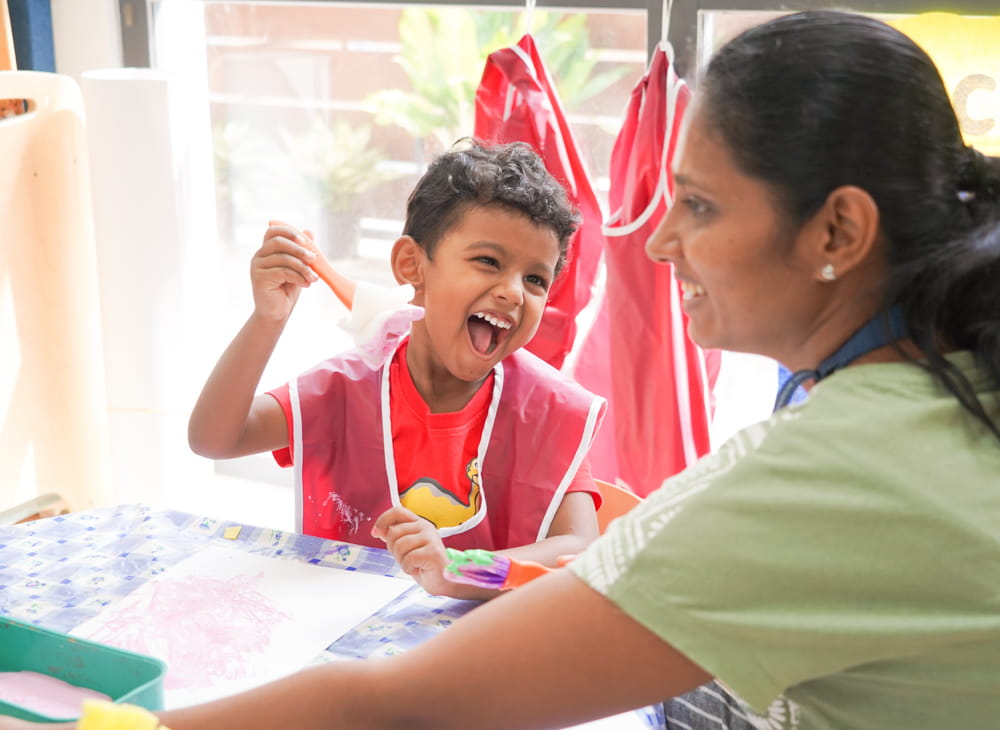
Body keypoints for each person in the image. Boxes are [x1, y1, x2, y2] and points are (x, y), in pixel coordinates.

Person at [4, 10, 999, 730]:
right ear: (411, 269)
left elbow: (398, 700)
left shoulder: (828, 468)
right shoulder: (927, 382)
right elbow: (222, 431)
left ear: (838, 231)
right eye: (484, 262)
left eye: (697, 205)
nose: (659, 244)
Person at [187, 139, 607, 600]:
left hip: (489, 638)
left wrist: (460, 570)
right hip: (342, 629)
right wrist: (267, 319)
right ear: (412, 265)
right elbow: (215, 439)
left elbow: (580, 552)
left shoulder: (550, 411)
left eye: (535, 279)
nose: (513, 292)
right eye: (488, 262)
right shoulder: (345, 388)